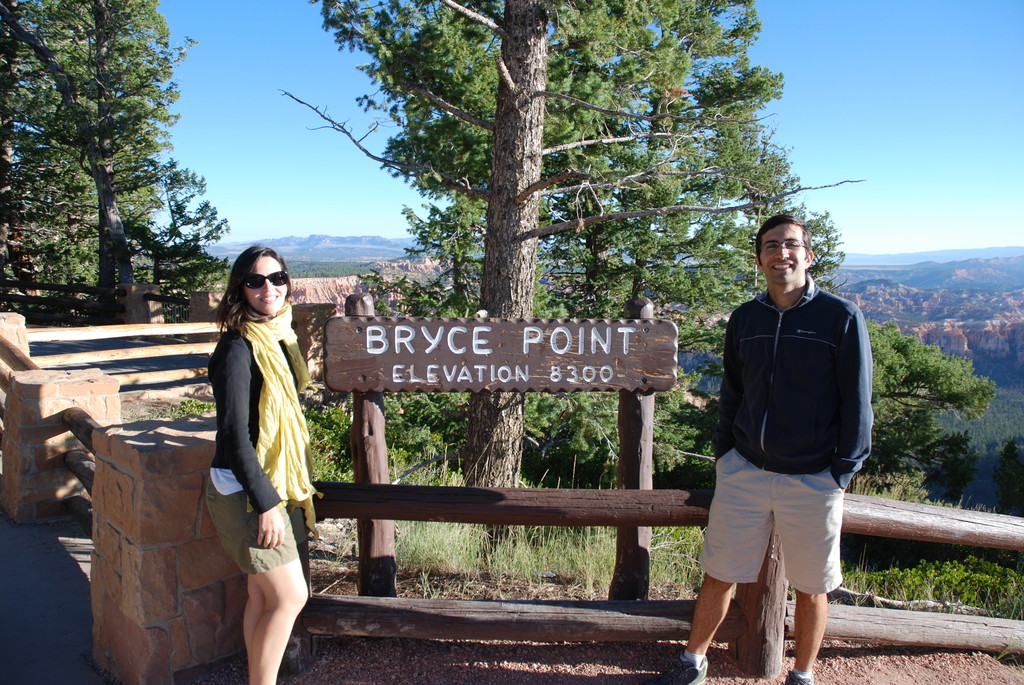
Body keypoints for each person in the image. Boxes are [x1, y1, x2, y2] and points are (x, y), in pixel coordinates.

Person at [648, 215, 873, 685]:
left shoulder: (840, 317)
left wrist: (840, 472)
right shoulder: (745, 319)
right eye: (771, 246)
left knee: (811, 588)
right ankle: (692, 664)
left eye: (791, 245)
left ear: (808, 256)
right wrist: (725, 455)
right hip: (745, 471)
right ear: (759, 259)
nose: (781, 253)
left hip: (814, 478)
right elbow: (732, 392)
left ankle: (803, 675)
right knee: (719, 573)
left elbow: (858, 401)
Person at [205, 246, 319, 685]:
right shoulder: (237, 350)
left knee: (261, 594)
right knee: (290, 597)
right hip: (246, 492)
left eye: (277, 278)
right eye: (255, 281)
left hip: (272, 481)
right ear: (240, 289)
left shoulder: (277, 337)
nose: (268, 288)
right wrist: (267, 505)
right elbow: (234, 437)